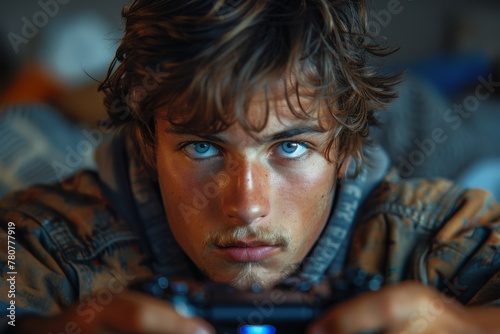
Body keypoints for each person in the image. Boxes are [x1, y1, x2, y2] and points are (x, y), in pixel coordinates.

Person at [1, 0, 499, 333]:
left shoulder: (434, 232)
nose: (247, 206)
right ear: (149, 146)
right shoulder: (40, 238)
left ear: (347, 148)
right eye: (202, 148)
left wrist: (469, 327)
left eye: (290, 148)